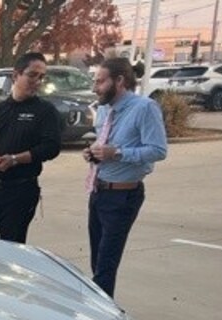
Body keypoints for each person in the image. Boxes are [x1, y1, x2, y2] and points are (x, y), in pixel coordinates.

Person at [84, 57, 167, 298]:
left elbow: (158, 150)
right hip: (98, 191)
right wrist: (94, 153)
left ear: (119, 81)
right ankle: (100, 309)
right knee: (96, 261)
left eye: (100, 82)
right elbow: (105, 144)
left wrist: (117, 153)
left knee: (105, 266)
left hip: (122, 195)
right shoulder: (104, 109)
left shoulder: (145, 108)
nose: (95, 87)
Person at [0, 52, 61, 243]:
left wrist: (15, 159)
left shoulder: (45, 111)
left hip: (20, 191)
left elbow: (51, 148)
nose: (37, 81)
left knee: (11, 250)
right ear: (16, 75)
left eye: (42, 77)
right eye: (32, 75)